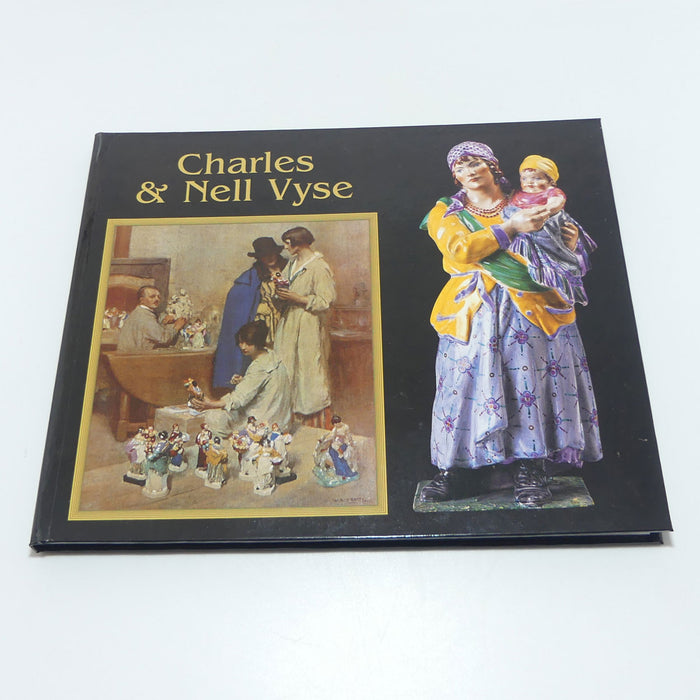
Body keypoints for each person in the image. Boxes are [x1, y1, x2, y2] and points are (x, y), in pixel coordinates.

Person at [419, 140, 602, 507]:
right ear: (455, 176)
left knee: (529, 382)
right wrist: (512, 228)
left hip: (533, 307)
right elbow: (459, 250)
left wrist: (571, 246)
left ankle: (530, 467)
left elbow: (567, 260)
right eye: (460, 166)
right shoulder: (446, 212)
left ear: (493, 166)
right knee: (464, 384)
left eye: (476, 163)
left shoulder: (530, 200)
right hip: (474, 310)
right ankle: (460, 470)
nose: (469, 171)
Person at [505, 154, 597, 305]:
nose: (530, 182)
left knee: (555, 246)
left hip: (548, 223)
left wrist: (544, 211)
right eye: (525, 179)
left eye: (537, 178)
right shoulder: (518, 195)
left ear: (550, 181)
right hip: (524, 228)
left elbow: (556, 204)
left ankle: (559, 268)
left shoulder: (552, 192)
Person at [273, 226, 336, 427]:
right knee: (286, 366)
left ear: (298, 243)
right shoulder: (292, 264)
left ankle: (312, 424)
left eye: (287, 243)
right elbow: (285, 289)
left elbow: (325, 301)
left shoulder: (319, 267)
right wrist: (280, 291)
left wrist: (298, 298)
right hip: (289, 323)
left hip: (308, 324)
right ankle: (287, 420)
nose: (285, 247)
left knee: (307, 370)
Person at [192, 320, 292, 437]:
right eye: (241, 342)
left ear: (258, 342)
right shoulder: (271, 355)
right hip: (281, 420)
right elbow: (263, 383)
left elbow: (238, 398)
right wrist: (244, 380)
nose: (243, 347)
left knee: (213, 417)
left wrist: (211, 404)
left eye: (248, 343)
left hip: (263, 421)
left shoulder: (259, 366)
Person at [213, 237, 287, 388]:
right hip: (264, 326)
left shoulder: (289, 271)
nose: (269, 257)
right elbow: (240, 306)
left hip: (286, 322)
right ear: (259, 258)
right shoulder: (251, 278)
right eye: (264, 255)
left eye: (272, 253)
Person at [116, 285, 187, 352]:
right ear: (142, 300)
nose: (157, 299)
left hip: (132, 355)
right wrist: (176, 327)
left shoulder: (140, 312)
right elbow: (163, 338)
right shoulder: (144, 316)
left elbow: (151, 332)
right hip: (135, 357)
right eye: (152, 297)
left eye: (158, 297)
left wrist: (164, 322)